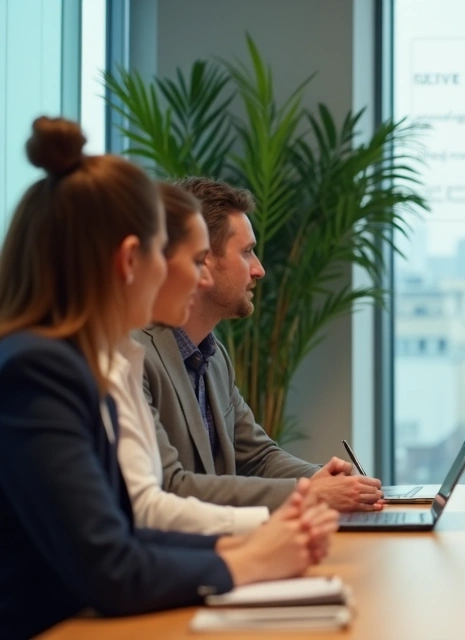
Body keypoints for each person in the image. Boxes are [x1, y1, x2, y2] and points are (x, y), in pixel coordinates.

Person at [0, 117, 337, 638]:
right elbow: (111, 565)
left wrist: (247, 543)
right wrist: (248, 560)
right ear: (130, 261)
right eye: (178, 256)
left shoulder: (79, 361)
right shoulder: (38, 370)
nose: (195, 277)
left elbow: (128, 530)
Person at [136, 177, 383, 512]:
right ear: (203, 259)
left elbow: (257, 457)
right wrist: (311, 494)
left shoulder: (214, 356)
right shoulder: (135, 357)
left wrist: (323, 480)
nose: (260, 270)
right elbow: (170, 487)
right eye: (247, 252)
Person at [112, 183, 268, 534]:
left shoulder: (214, 355)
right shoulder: (120, 357)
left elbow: (257, 456)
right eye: (198, 261)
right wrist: (302, 501)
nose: (203, 278)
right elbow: (162, 494)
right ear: (132, 259)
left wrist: (329, 486)